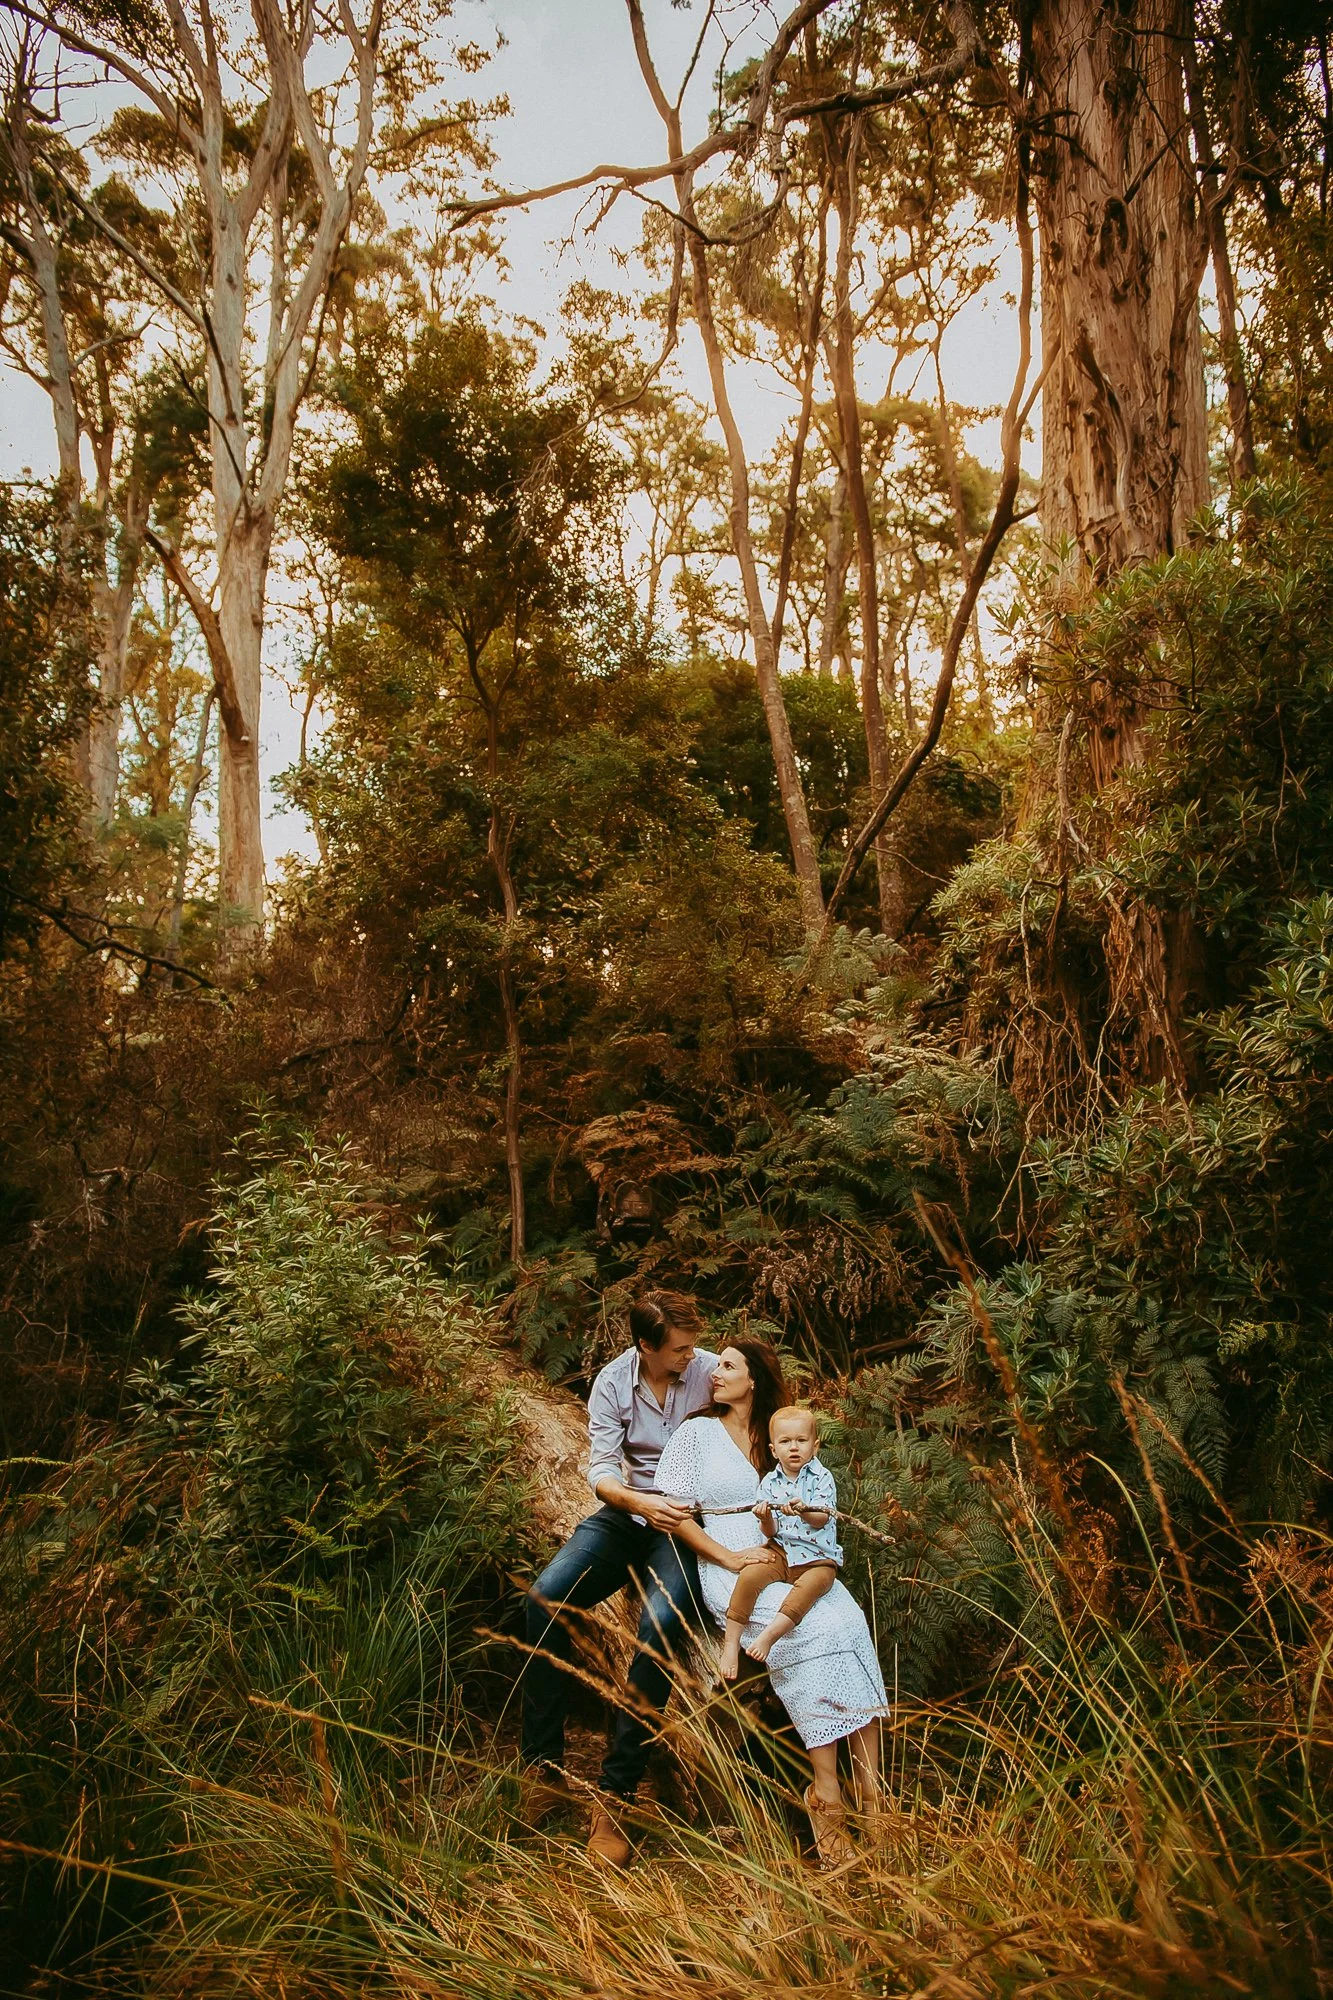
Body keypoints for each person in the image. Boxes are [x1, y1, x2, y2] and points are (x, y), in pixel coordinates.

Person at [521, 1289, 743, 1866]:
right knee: (544, 1598)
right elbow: (600, 1469)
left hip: (686, 1525)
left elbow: (751, 1423)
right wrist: (637, 1503)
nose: (693, 1357)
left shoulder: (708, 1371)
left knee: (662, 1623)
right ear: (645, 1345)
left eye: (695, 1345)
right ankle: (543, 1769)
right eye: (679, 1348)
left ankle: (616, 1795)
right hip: (627, 1512)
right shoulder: (614, 1383)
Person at [654, 1340, 889, 1867]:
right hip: (730, 1560)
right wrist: (729, 1557)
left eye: (729, 1365)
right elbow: (673, 1514)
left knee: (848, 1623)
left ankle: (874, 1798)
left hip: (792, 1554)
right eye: (716, 1365)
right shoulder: (695, 1433)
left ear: (755, 1377)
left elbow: (814, 1500)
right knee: (814, 1635)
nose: (716, 1372)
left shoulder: (780, 1432)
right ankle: (826, 1796)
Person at [717, 1404, 841, 1680]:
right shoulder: (770, 1483)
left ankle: (769, 1636)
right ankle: (730, 1644)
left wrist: (804, 1509)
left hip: (817, 1559)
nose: (794, 1448)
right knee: (749, 1577)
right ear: (774, 1450)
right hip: (782, 1552)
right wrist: (764, 1518)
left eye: (801, 1441)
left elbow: (821, 1519)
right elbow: (771, 1532)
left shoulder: (822, 1478)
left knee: (808, 1589)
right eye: (785, 1442)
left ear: (815, 1446)